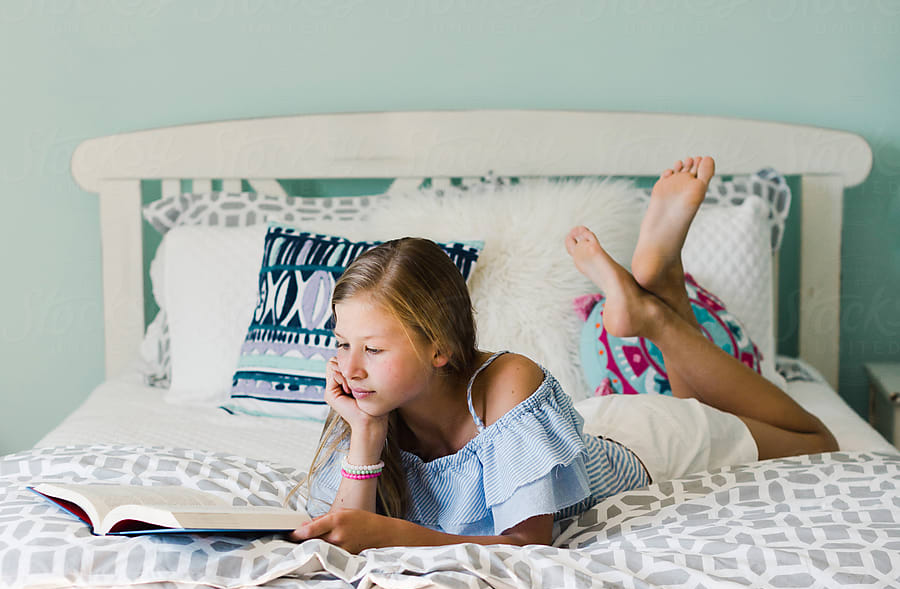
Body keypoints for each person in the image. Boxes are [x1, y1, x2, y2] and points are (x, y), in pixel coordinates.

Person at [290, 156, 836, 554]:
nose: (351, 366)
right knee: (702, 399)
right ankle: (662, 291)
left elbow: (529, 546)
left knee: (816, 441)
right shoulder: (370, 399)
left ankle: (657, 316)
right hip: (570, 434)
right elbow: (346, 539)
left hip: (644, 445)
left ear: (440, 348)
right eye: (342, 343)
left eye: (374, 348)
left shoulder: (508, 382)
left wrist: (397, 537)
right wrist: (365, 435)